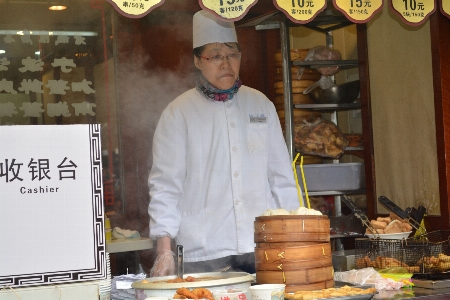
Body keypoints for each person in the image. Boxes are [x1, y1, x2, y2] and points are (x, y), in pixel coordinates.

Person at [148, 10, 303, 277]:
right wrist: (164, 250)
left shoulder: (260, 104)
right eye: (216, 56)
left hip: (259, 245)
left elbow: (282, 178)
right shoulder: (178, 113)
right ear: (198, 60)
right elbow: (165, 186)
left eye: (232, 55)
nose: (226, 64)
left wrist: (293, 239)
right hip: (203, 250)